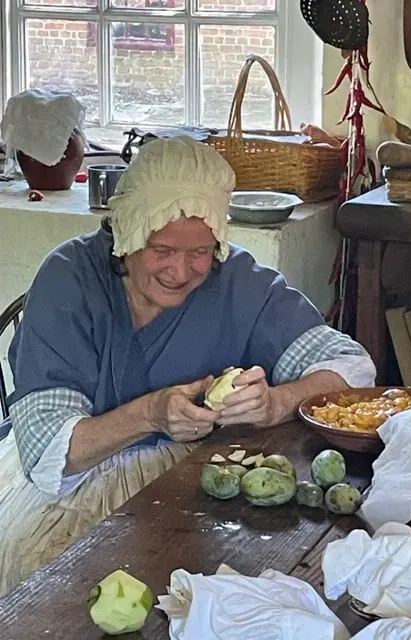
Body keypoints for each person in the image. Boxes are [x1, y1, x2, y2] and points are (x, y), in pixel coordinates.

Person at [0, 136, 376, 595]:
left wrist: (278, 401)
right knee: (58, 579)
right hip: (76, 481)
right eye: (162, 249)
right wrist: (151, 414)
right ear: (127, 233)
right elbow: (50, 454)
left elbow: (350, 368)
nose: (181, 272)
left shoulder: (238, 281)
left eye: (199, 252)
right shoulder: (70, 281)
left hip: (195, 474)